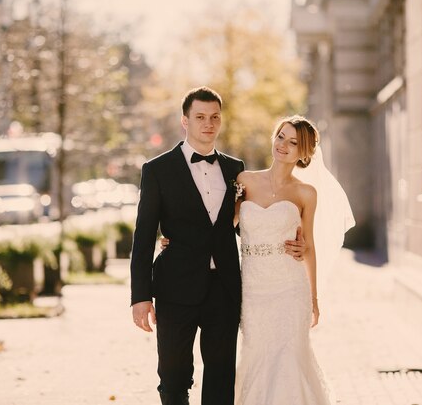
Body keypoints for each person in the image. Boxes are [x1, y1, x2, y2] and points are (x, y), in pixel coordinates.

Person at [130, 86, 305, 405]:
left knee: (222, 375)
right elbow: (143, 236)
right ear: (185, 121)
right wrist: (140, 296)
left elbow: (246, 224)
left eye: (214, 117)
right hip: (175, 288)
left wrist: (292, 237)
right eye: (199, 117)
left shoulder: (234, 169)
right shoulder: (157, 170)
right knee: (173, 376)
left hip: (223, 288)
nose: (208, 124)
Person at [233, 115, 354, 405]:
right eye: (280, 137)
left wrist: (313, 298)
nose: (283, 145)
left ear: (305, 153)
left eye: (293, 142)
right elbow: (221, 226)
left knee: (290, 358)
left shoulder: (306, 193)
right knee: (256, 357)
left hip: (290, 289)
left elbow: (308, 245)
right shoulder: (244, 181)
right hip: (252, 288)